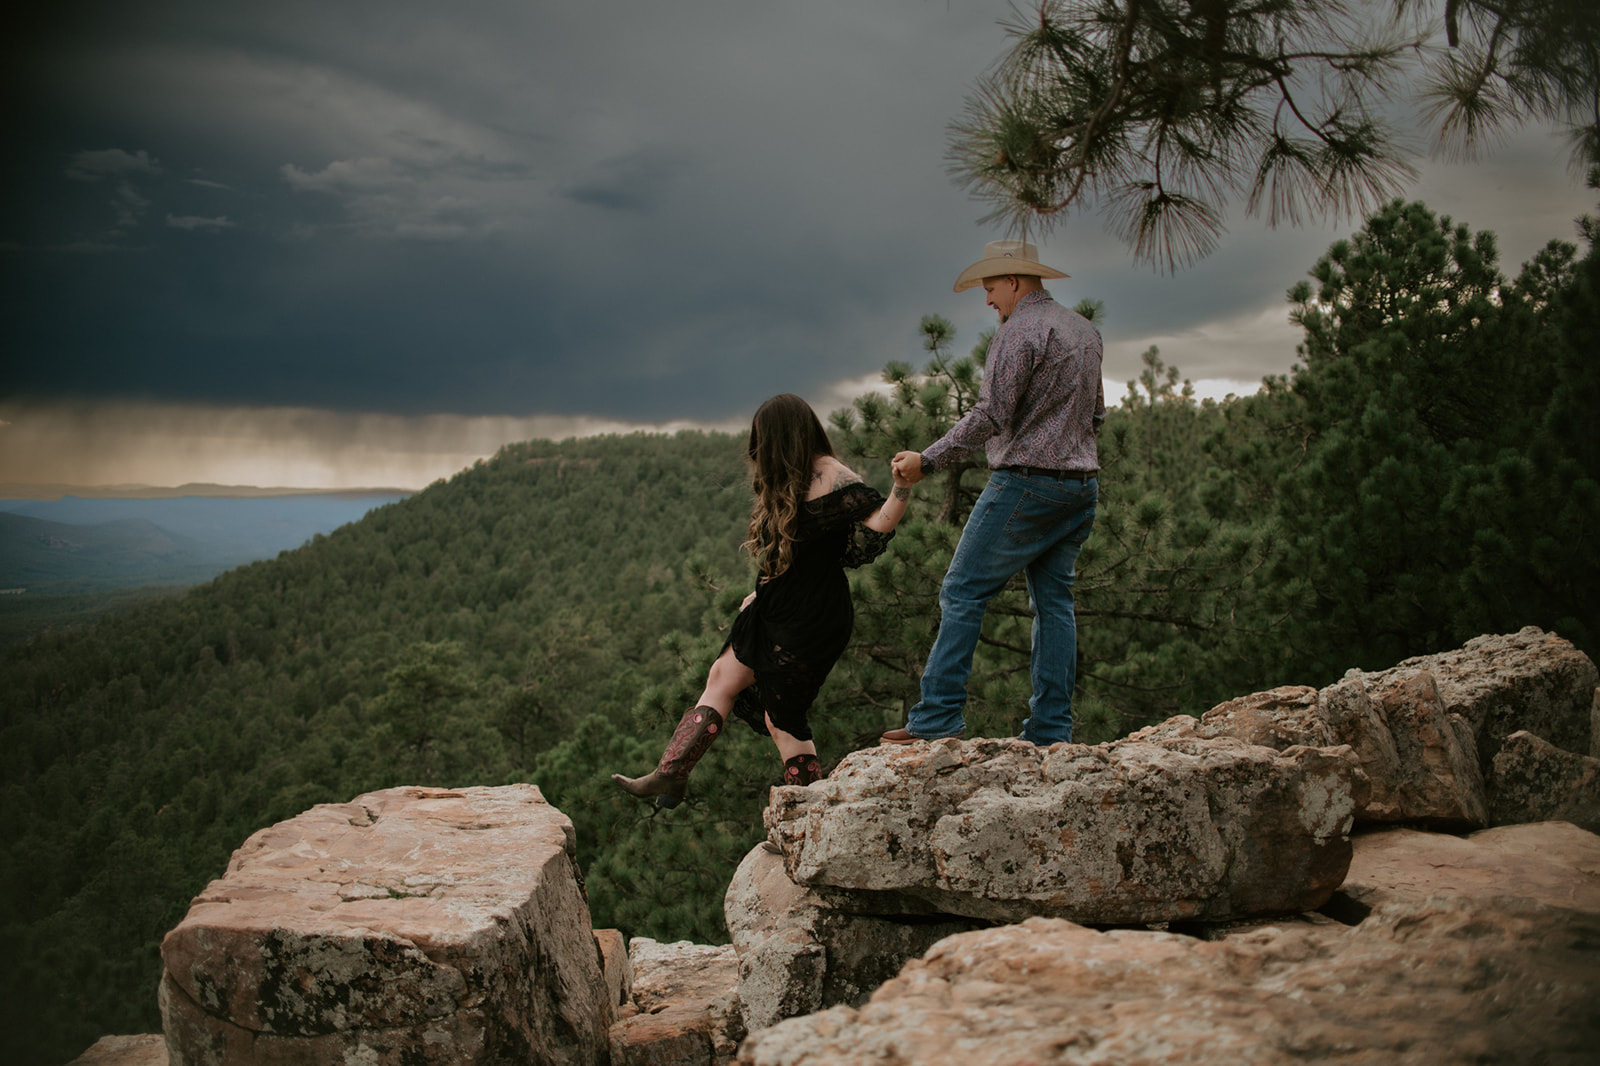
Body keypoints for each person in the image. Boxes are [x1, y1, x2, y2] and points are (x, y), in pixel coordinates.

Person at [613, 393, 914, 807]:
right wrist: (763, 591)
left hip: (813, 616)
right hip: (777, 605)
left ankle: (806, 813)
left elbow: (878, 521)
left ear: (782, 437)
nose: (758, 451)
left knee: (782, 718)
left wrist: (902, 487)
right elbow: (796, 553)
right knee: (722, 676)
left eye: (764, 440)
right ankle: (671, 775)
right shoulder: (785, 481)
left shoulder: (831, 474)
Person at [883, 239, 1103, 747]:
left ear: (1015, 282)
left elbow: (990, 416)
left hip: (1025, 485)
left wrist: (927, 460)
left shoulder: (1017, 331)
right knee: (1055, 605)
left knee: (962, 591)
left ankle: (937, 719)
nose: (988, 301)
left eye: (990, 289)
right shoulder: (1085, 331)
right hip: (1081, 489)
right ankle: (1051, 731)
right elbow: (1096, 417)